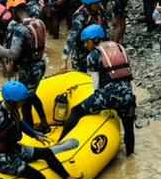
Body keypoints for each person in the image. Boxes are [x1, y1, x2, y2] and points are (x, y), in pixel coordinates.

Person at [0, 82, 75, 179]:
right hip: (3, 158)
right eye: (22, 101)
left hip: (14, 149)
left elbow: (19, 122)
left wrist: (35, 134)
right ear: (13, 102)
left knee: (47, 152)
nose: (24, 102)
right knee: (39, 177)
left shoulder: (10, 109)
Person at [59, 25, 137, 156]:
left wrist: (95, 105)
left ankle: (60, 142)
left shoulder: (93, 55)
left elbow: (95, 86)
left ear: (94, 40)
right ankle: (130, 155)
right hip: (128, 95)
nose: (85, 45)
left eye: (86, 41)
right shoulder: (120, 48)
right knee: (129, 128)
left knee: (76, 111)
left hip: (108, 95)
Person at [0, 0, 49, 125]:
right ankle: (44, 122)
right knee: (32, 94)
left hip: (28, 69)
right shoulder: (38, 22)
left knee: (25, 101)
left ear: (13, 11)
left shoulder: (20, 29)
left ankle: (30, 129)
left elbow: (13, 54)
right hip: (40, 64)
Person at [65, 0, 109, 71]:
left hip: (97, 46)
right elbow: (71, 38)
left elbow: (105, 27)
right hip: (82, 51)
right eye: (96, 4)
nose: (98, 5)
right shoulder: (80, 16)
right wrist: (64, 59)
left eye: (99, 2)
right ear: (88, 5)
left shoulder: (100, 10)